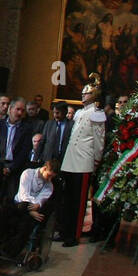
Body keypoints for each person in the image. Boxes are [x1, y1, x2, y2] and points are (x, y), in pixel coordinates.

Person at [60, 75, 106, 247]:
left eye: (86, 94)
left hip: (83, 162)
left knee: (78, 202)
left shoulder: (97, 114)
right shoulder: (79, 113)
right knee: (68, 199)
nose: (83, 96)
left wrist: (96, 160)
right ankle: (65, 231)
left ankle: (74, 235)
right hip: (71, 160)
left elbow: (99, 140)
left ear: (93, 95)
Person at [0, 160, 59, 259]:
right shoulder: (28, 173)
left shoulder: (49, 185)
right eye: (49, 175)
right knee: (3, 212)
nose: (50, 179)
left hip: (31, 211)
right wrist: (31, 209)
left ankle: (10, 251)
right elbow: (23, 194)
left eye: (52, 177)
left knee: (27, 225)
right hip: (18, 205)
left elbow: (40, 201)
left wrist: (34, 208)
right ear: (45, 168)